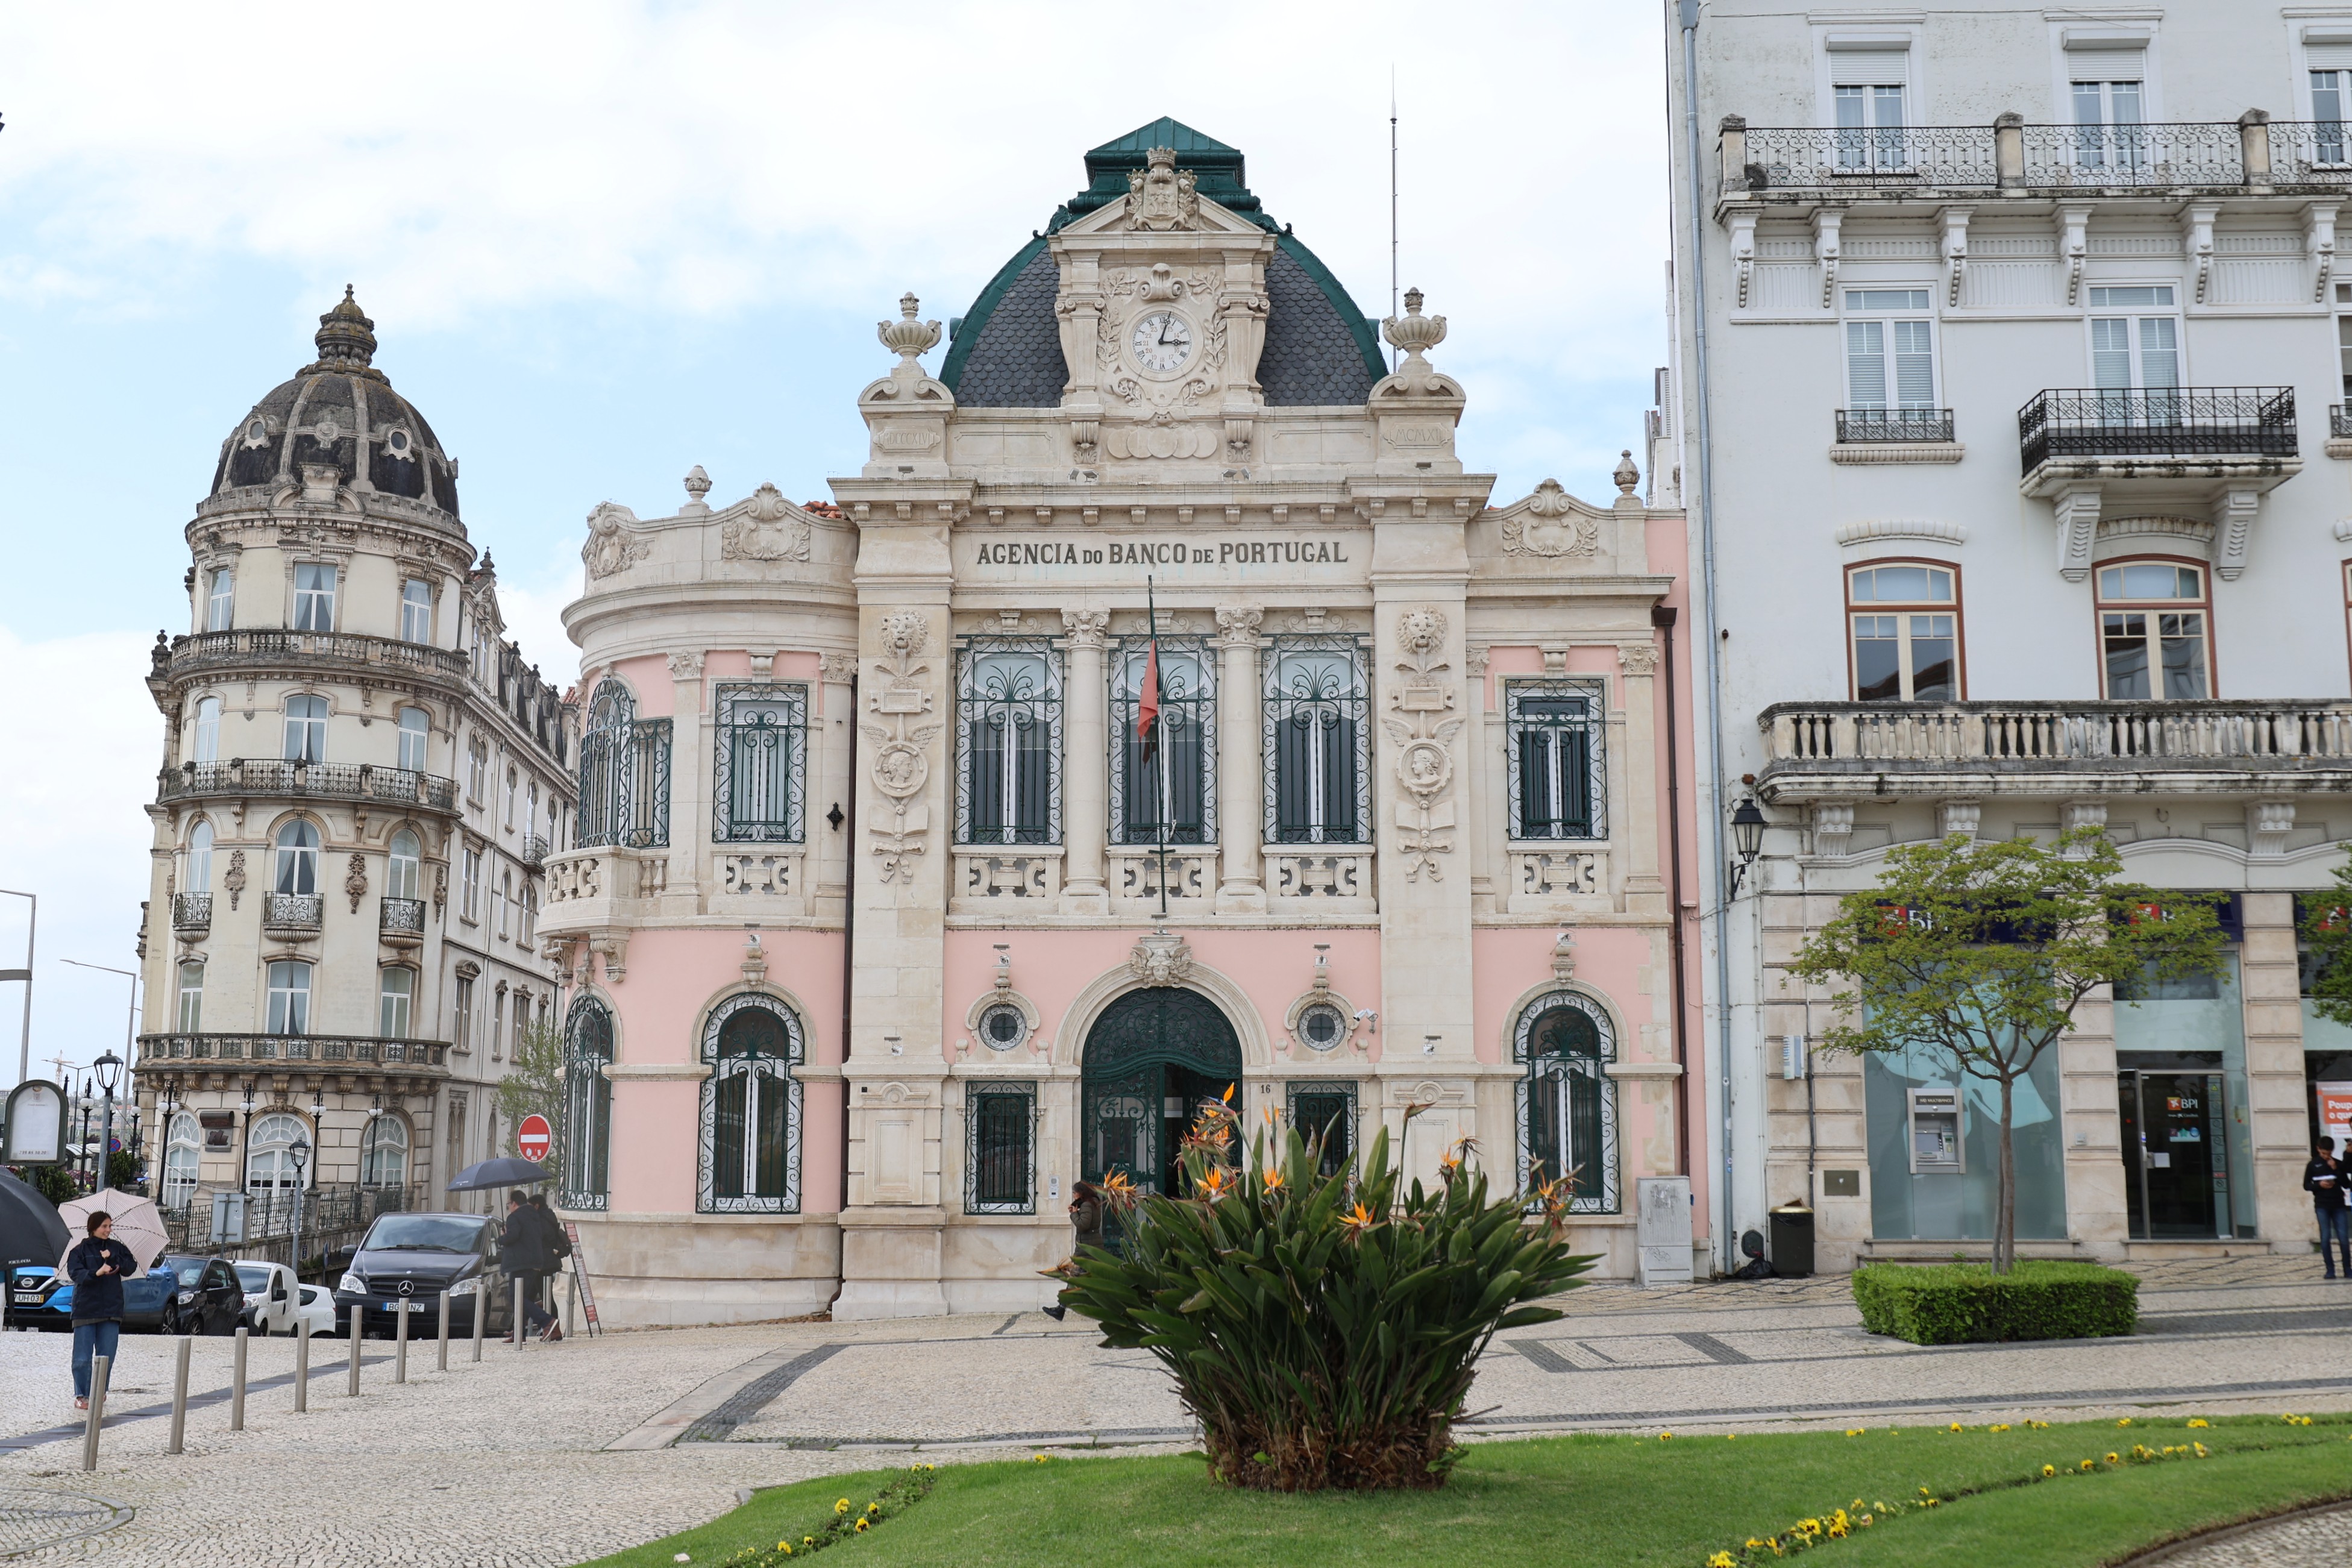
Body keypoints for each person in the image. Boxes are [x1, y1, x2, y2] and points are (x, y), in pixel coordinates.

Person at [65, 1212, 137, 1410]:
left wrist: (113, 1258)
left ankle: (99, 1391)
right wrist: (97, 1272)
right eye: (104, 1226)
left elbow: (130, 1267)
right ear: (93, 1227)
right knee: (82, 1358)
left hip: (111, 1309)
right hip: (85, 1309)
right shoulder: (79, 1251)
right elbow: (76, 1274)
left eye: (110, 1226)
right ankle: (83, 1394)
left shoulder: (116, 1248)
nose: (108, 1230)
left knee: (107, 1357)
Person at [1040, 1182, 1106, 1323]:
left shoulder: (1087, 1205)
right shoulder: (1093, 1203)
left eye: (1075, 1193)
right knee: (1081, 1277)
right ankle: (1061, 1308)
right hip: (1090, 1246)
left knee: (1075, 1276)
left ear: (1081, 1193)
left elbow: (1083, 1225)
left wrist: (1074, 1214)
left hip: (1087, 1248)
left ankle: (1061, 1309)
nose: (1074, 1195)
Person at [499, 1193, 554, 1340]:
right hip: (535, 1262)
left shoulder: (514, 1217)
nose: (509, 1207)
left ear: (514, 1203)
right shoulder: (534, 1215)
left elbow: (513, 1237)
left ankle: (547, 1321)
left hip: (520, 1264)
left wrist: (502, 1237)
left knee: (516, 1297)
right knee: (523, 1298)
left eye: (509, 1204)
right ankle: (519, 1333)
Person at [526, 1191, 569, 1341]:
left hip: (543, 1265)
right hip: (544, 1263)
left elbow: (539, 1240)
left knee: (545, 1298)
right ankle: (517, 1331)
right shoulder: (547, 1216)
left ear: (536, 1206)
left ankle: (554, 1329)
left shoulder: (542, 1219)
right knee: (527, 1298)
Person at [2306, 1137, 2351, 1280]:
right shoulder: (2313, 1165)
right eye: (2324, 1153)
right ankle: (2330, 1270)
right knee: (2325, 1237)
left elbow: (2346, 1184)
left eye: (2329, 1153)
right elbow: (2306, 1185)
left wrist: (2336, 1169)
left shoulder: (2337, 1163)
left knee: (2343, 1238)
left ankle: (2348, 1269)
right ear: (2318, 1149)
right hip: (2322, 1206)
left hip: (2338, 1205)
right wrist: (2319, 1185)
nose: (2326, 1156)